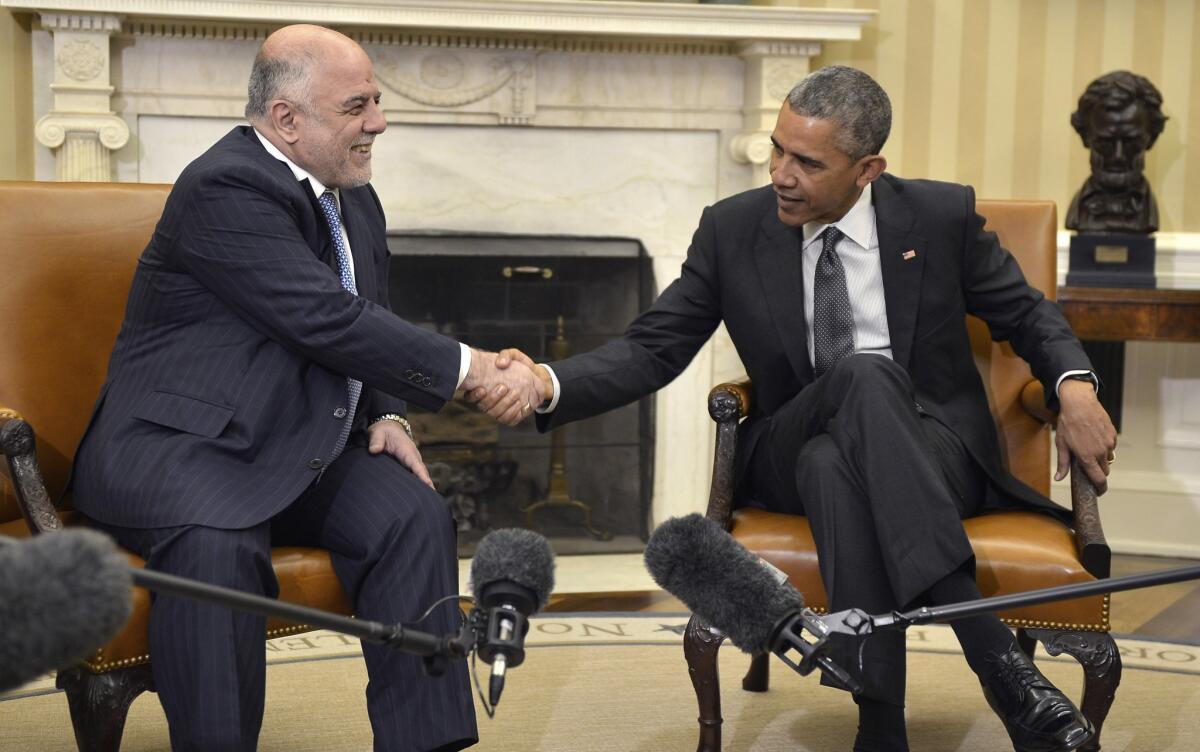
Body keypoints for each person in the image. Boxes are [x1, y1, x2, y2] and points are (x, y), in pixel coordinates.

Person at [474, 66, 1117, 752]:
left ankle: (880, 728)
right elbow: (653, 347)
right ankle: (996, 661)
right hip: (786, 436)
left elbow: (1027, 314)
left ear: (867, 168)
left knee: (834, 461)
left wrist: (1075, 385)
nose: (781, 172)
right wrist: (547, 381)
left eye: (807, 162)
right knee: (856, 389)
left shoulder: (938, 217)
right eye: (778, 148)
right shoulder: (733, 230)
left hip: (930, 453)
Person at [71, 24, 543, 752]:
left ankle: (427, 743)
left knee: (411, 514)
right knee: (215, 543)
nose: (378, 123)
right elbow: (322, 318)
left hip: (290, 440)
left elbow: (367, 316)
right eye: (357, 106)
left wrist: (389, 414)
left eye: (377, 102)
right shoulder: (225, 186)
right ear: (286, 119)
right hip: (176, 447)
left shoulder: (354, 197)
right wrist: (473, 370)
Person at [1066, 70, 1168, 233]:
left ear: (1151, 138)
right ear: (1086, 137)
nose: (1118, 156)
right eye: (1105, 142)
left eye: (1131, 143)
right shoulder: (1078, 212)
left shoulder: (1148, 212)